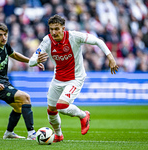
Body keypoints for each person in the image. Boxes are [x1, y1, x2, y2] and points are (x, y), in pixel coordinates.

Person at [29, 14, 119, 142]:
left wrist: (110, 57)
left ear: (63, 28)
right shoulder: (47, 41)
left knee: (61, 105)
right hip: (58, 78)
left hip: (75, 78)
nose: (53, 32)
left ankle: (83, 115)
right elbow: (31, 60)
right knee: (51, 110)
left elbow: (98, 41)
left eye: (56, 29)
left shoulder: (74, 36)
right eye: (51, 29)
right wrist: (36, 60)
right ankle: (58, 135)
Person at [0, 23, 42, 140]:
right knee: (25, 97)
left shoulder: (4, 44)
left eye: (5, 35)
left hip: (4, 82)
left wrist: (31, 61)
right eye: (0, 35)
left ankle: (9, 133)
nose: (4, 38)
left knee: (18, 108)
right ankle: (31, 134)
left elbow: (14, 54)